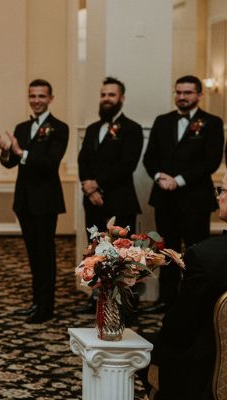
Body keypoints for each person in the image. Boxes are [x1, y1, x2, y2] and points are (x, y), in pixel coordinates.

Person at [142, 75, 225, 313]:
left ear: (200, 95)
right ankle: (166, 300)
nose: (182, 96)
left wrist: (178, 181)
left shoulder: (212, 122)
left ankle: (192, 302)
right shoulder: (162, 121)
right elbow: (150, 158)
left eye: (187, 92)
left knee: (195, 254)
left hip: (195, 201)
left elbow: (210, 161)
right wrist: (160, 177)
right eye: (178, 92)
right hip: (164, 199)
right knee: (165, 252)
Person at [0, 79, 69, 324]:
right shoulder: (22, 127)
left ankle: (46, 307)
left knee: (45, 255)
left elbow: (50, 164)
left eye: (41, 96)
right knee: (33, 256)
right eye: (32, 96)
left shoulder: (60, 128)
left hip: (46, 202)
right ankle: (36, 302)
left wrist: (19, 152)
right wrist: (6, 151)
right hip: (25, 202)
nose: (36, 100)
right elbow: (10, 163)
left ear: (50, 98)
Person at [149, 173, 227, 399]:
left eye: (222, 191)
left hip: (210, 372)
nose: (218, 198)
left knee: (150, 349)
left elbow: (178, 328)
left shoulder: (205, 257)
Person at [75, 77, 143, 314]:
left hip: (119, 201)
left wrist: (98, 185)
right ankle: (97, 299)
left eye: (111, 95)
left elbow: (127, 165)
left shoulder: (132, 129)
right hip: (93, 202)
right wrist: (87, 185)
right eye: (103, 94)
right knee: (94, 251)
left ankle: (123, 304)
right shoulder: (93, 129)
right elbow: (83, 159)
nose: (106, 99)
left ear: (121, 98)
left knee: (120, 255)